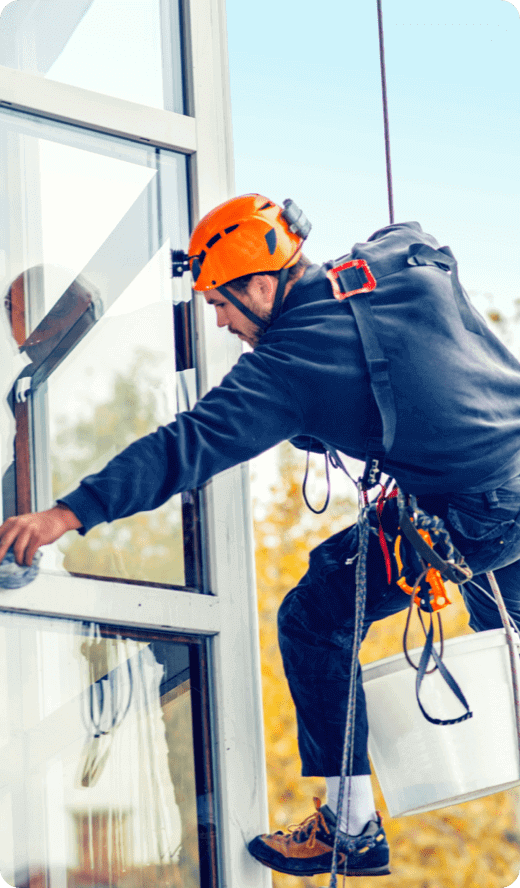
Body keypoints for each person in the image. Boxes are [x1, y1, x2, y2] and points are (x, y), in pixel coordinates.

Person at [2, 194, 520, 878]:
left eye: (221, 302)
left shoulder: (286, 365)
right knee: (500, 630)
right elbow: (421, 241)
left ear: (261, 283)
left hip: (477, 513)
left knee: (313, 618)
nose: (220, 322)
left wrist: (64, 515)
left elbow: (184, 446)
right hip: (503, 486)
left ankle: (351, 827)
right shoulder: (384, 263)